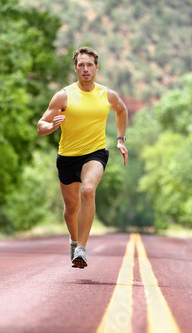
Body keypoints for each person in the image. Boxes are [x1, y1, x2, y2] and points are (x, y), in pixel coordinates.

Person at [37, 46, 128, 269]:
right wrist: (52, 126)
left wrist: (120, 139)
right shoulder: (63, 95)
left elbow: (122, 111)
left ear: (96, 68)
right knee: (70, 208)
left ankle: (82, 249)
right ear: (75, 68)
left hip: (95, 153)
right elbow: (41, 126)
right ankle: (74, 240)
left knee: (88, 191)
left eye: (89, 65)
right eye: (81, 65)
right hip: (67, 156)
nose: (85, 69)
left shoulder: (107, 95)